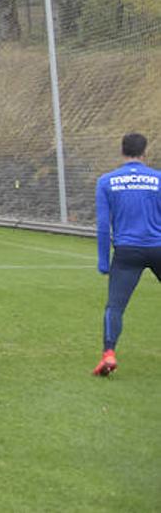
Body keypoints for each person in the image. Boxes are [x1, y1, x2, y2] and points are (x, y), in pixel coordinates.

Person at [92, 132, 161, 377]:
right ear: (145, 152)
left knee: (115, 306)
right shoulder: (158, 179)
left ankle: (108, 353)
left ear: (122, 152)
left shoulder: (106, 181)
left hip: (126, 251)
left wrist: (103, 260)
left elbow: (103, 225)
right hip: (158, 247)